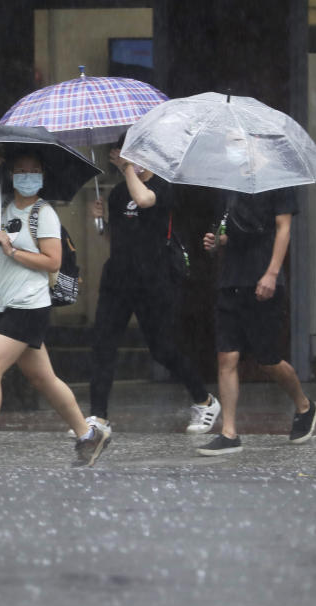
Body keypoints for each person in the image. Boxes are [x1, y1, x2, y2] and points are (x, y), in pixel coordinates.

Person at [0, 149, 110, 467]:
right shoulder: (2, 207)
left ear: (43, 176)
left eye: (34, 170)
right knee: (43, 378)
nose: (27, 176)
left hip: (28, 305)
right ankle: (88, 436)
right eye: (19, 170)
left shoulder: (44, 213)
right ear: (10, 174)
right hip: (10, 303)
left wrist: (11, 249)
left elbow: (53, 261)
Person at [83, 134, 219, 437]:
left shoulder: (163, 186)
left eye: (135, 155)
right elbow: (114, 241)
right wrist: (100, 221)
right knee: (103, 345)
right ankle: (98, 417)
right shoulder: (118, 195)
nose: (129, 161)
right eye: (122, 155)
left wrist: (128, 168)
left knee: (163, 349)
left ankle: (205, 399)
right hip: (118, 279)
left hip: (153, 280)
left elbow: (144, 201)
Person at [198, 187, 316, 455]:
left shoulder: (278, 182)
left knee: (268, 360)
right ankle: (229, 433)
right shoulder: (228, 187)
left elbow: (283, 229)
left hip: (264, 280)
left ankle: (304, 405)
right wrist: (217, 242)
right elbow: (231, 233)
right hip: (231, 281)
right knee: (226, 356)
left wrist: (272, 274)